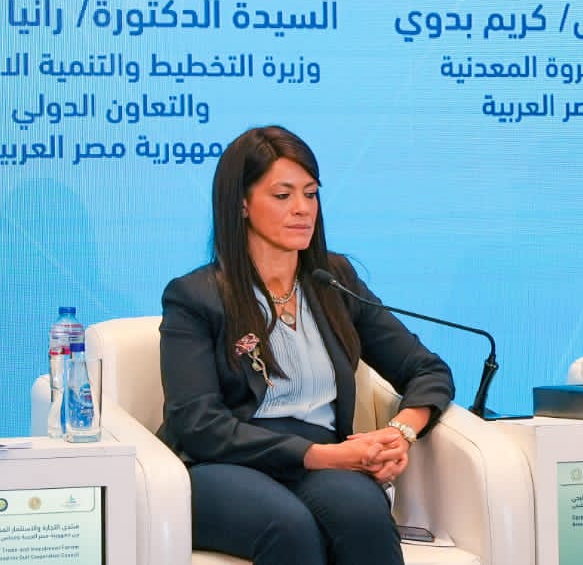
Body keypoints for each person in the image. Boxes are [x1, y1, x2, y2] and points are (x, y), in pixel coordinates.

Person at [159, 126, 454, 564]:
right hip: (223, 463)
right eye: (283, 195)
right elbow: (198, 424)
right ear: (241, 204)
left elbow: (426, 370)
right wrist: (321, 456)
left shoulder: (332, 283)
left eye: (311, 194)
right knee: (289, 526)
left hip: (324, 455)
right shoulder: (196, 297)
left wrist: (399, 433)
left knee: (363, 515)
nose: (302, 209)